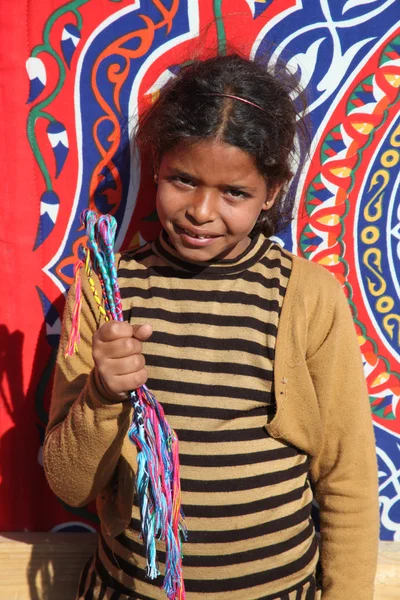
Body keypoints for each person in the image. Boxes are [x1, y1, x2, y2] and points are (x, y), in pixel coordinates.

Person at [43, 53, 379, 600]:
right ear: (156, 167)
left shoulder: (306, 297)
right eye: (183, 179)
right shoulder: (106, 292)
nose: (201, 210)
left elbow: (348, 477)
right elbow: (69, 481)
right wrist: (101, 393)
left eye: (235, 193)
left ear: (271, 192)